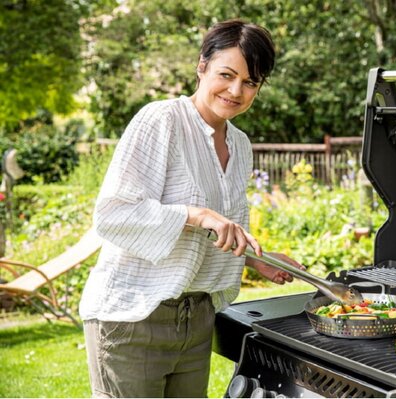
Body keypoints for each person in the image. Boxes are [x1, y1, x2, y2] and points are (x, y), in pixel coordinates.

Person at [79, 19, 304, 398]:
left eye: (250, 82)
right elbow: (113, 215)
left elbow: (209, 234)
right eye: (226, 74)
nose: (236, 90)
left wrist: (253, 258)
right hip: (135, 317)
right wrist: (196, 214)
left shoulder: (241, 144)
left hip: (197, 319)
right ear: (202, 65)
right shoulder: (161, 119)